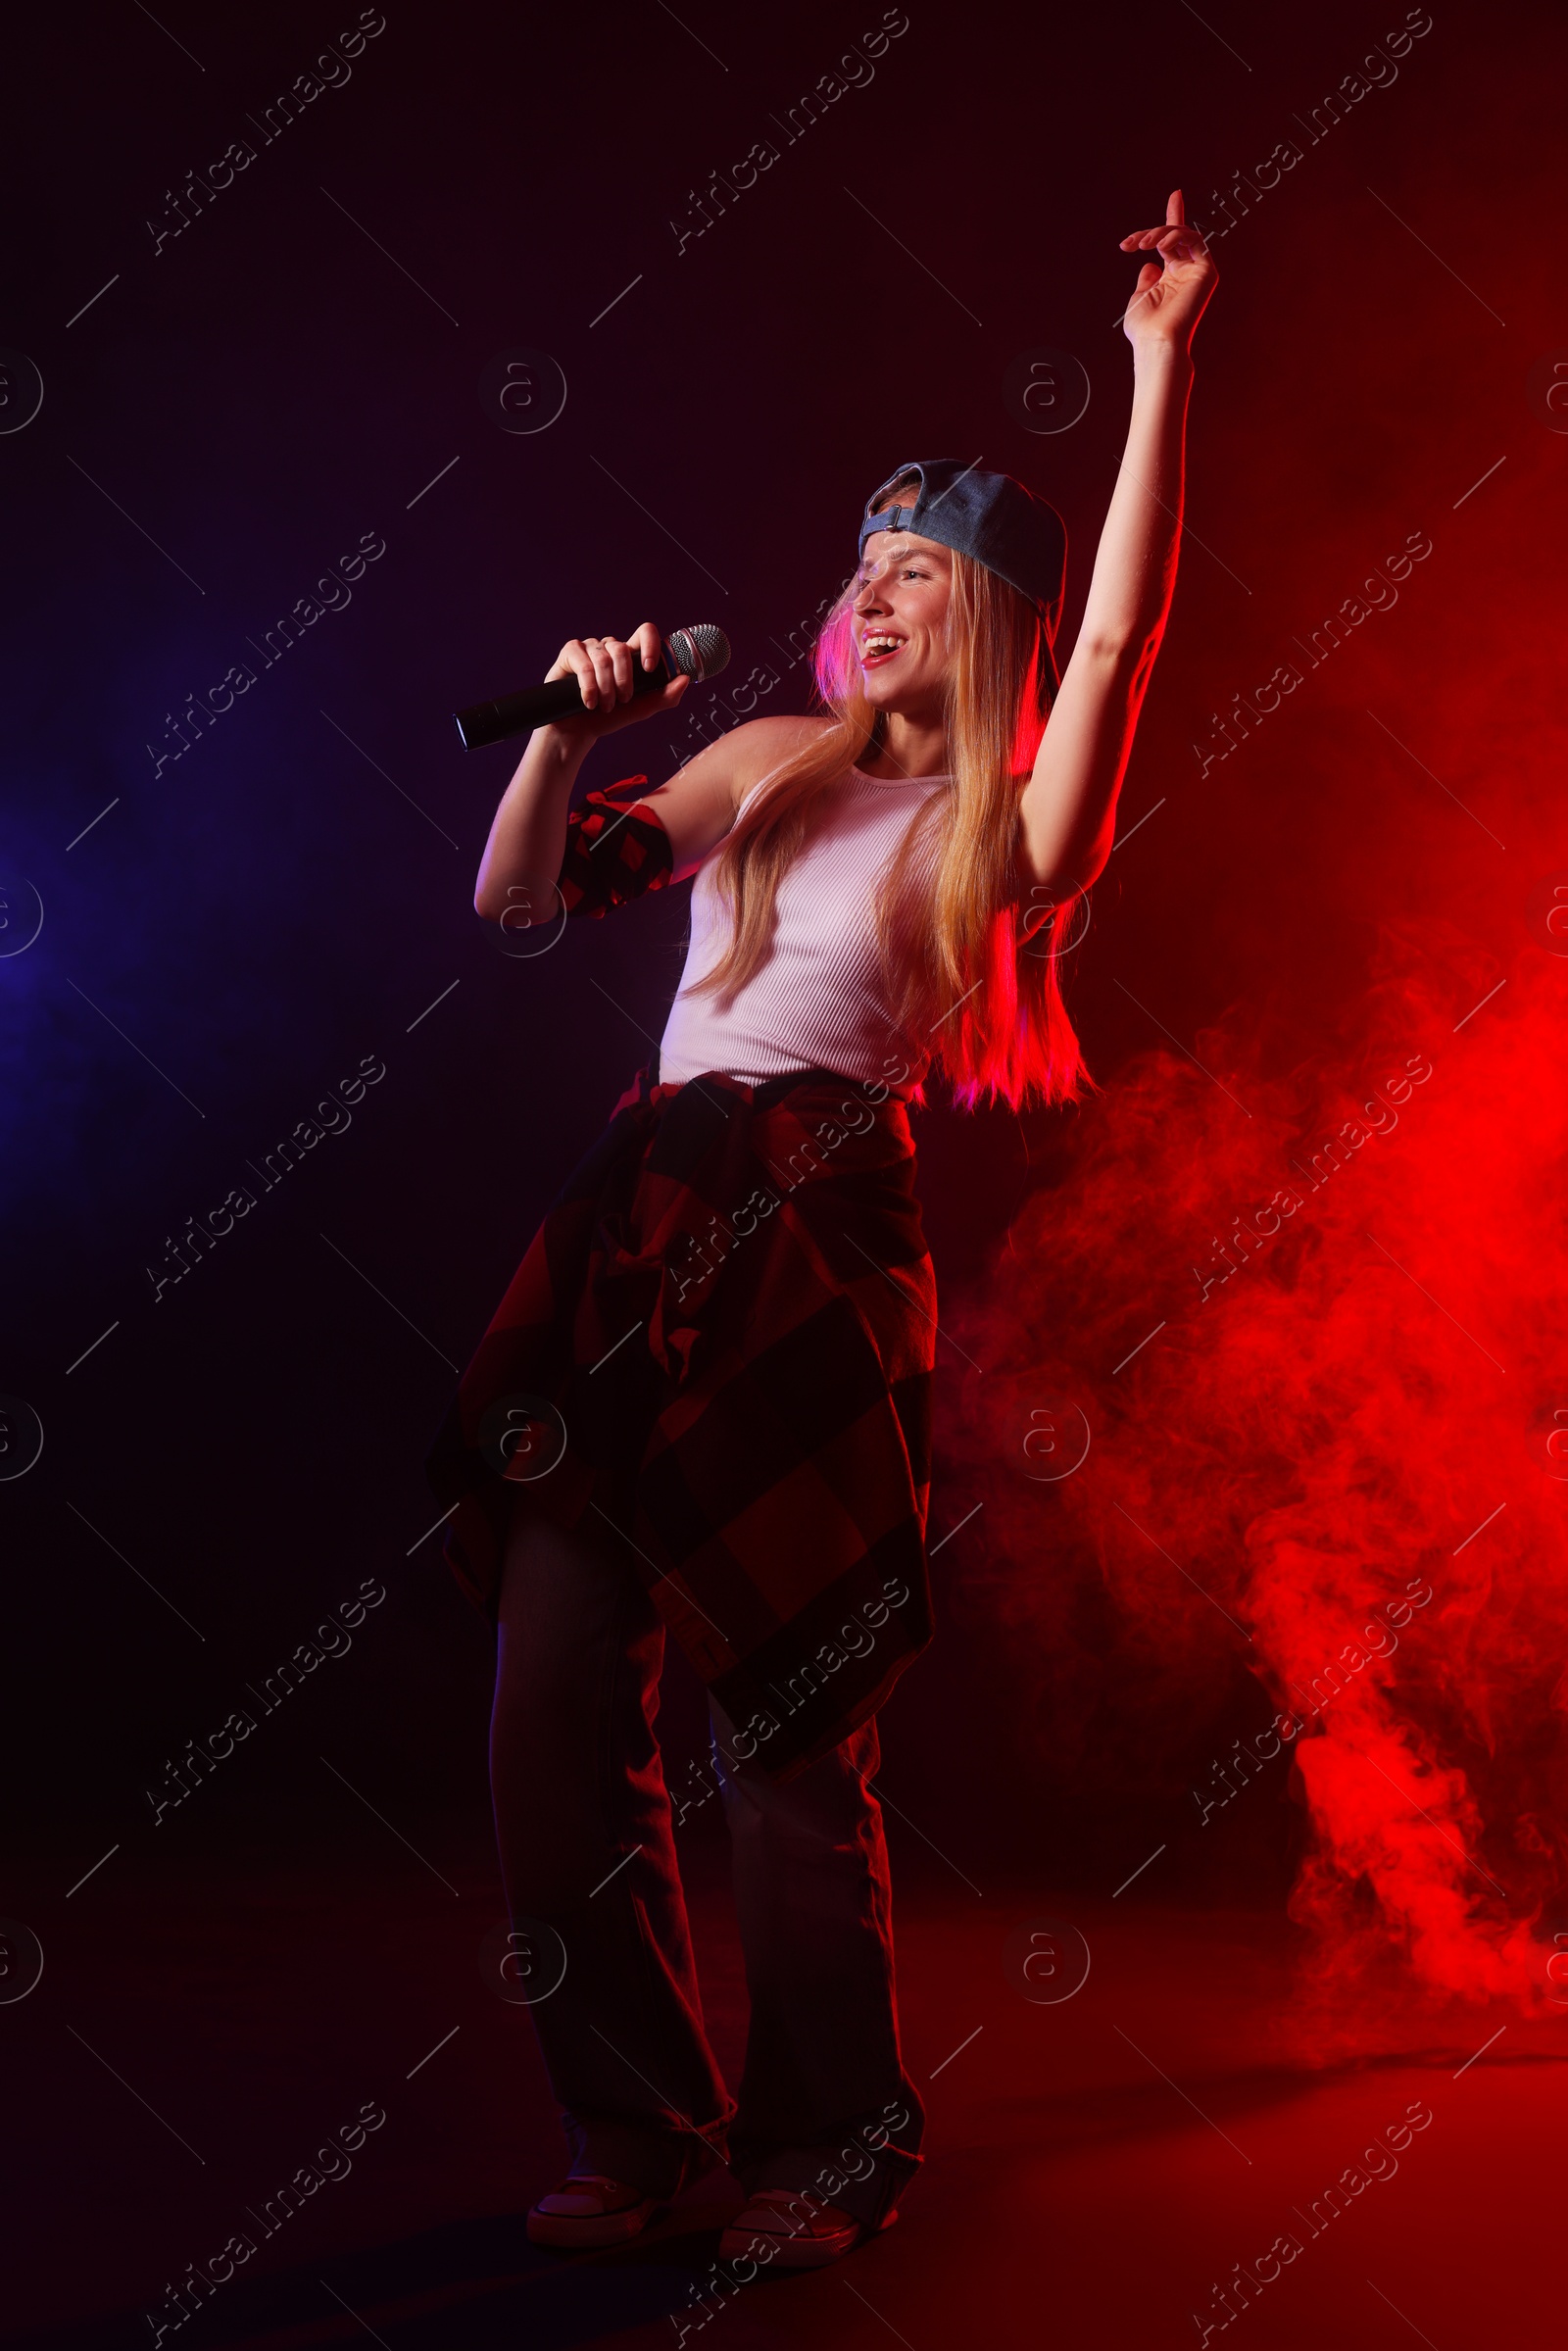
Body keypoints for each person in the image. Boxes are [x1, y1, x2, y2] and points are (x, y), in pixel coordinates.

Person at [426, 190, 1216, 2272]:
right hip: (639, 1197)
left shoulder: (1001, 827)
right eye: (860, 571)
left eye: (918, 579)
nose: (871, 602)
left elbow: (1121, 636)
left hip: (813, 1223)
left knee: (785, 1726)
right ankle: (634, 2123)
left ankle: (828, 2147)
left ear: (981, 624)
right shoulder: (757, 756)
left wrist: (1156, 363)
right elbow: (523, 902)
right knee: (547, 1702)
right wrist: (559, 733)